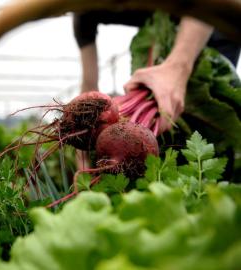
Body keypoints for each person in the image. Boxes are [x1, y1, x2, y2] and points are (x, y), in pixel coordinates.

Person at [73, 10, 240, 169]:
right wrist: (81, 131)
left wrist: (179, 68)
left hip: (215, 30)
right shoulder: (85, 12)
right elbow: (89, 83)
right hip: (162, 31)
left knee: (209, 138)